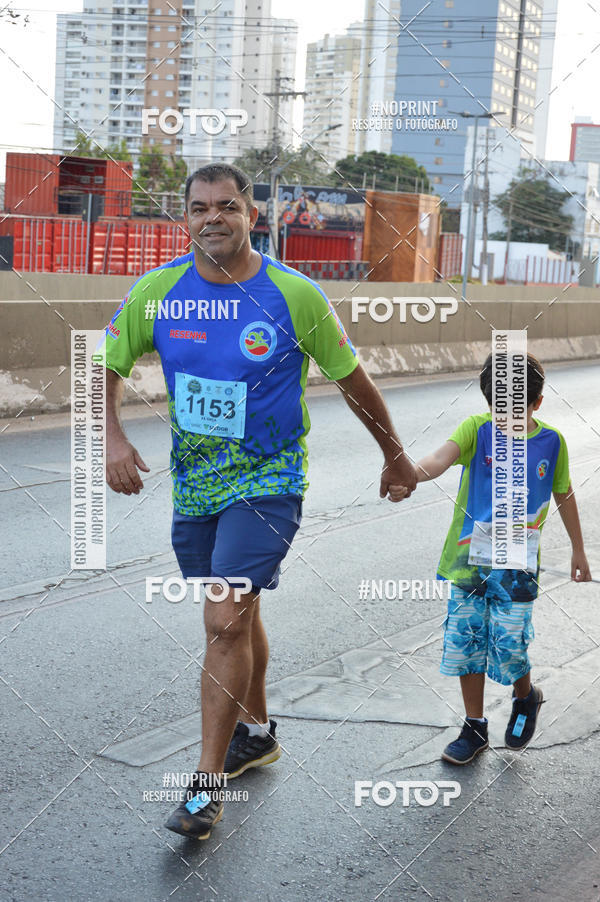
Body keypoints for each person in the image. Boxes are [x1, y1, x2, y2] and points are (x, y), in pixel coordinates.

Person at [101, 163, 417, 838]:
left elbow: (352, 379)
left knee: (223, 618)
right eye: (199, 208)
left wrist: (394, 454)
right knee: (237, 613)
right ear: (186, 218)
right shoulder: (159, 292)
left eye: (227, 206)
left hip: (270, 481)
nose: (212, 218)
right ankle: (256, 731)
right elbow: (104, 364)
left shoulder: (294, 295)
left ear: (252, 215)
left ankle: (205, 786)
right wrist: (111, 437)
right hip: (197, 483)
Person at [400, 353, 591, 765]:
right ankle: (474, 726)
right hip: (468, 565)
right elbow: (439, 459)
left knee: (509, 644)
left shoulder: (552, 442)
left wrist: (579, 548)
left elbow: (564, 492)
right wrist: (410, 474)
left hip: (517, 570)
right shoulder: (476, 430)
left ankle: (526, 696)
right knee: (467, 643)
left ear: (537, 403)